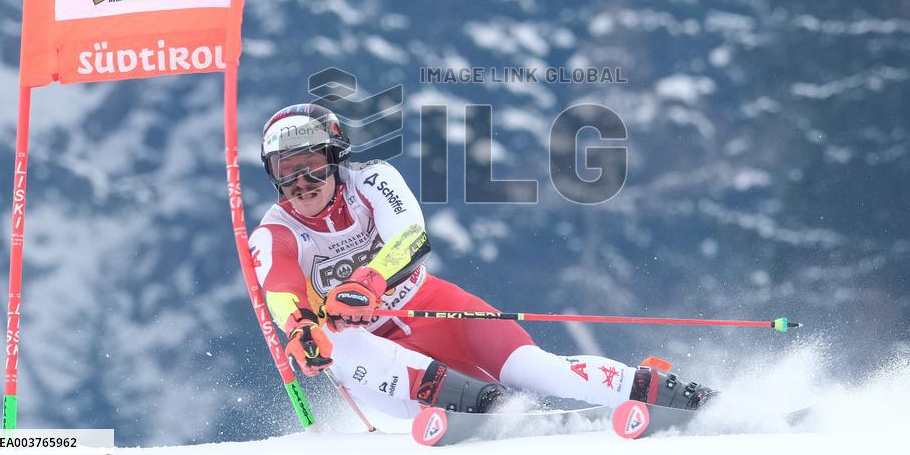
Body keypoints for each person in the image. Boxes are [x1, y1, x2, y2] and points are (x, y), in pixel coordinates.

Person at [248, 103, 713, 418]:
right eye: (286, 172)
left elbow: (410, 237)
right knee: (334, 336)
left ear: (335, 158)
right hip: (370, 352)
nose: (301, 182)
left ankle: (663, 392)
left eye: (310, 164)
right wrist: (301, 328)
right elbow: (281, 290)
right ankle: (489, 408)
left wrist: (368, 282)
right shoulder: (275, 231)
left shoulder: (371, 180)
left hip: (430, 304)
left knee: (537, 369)